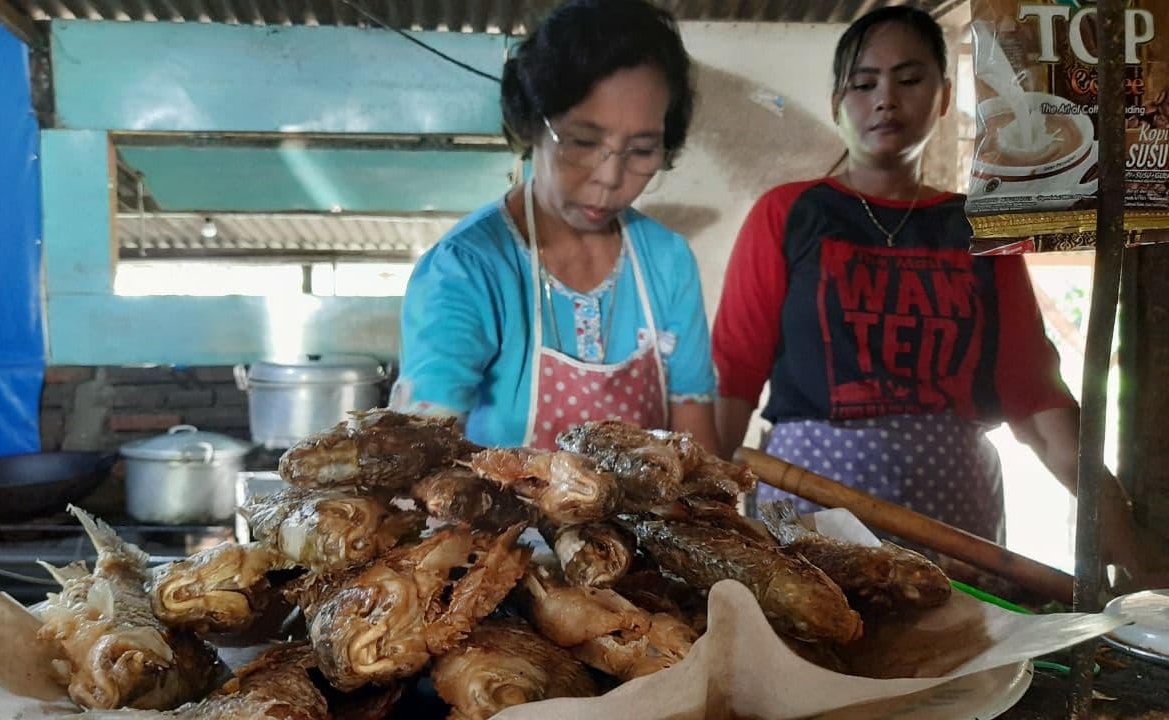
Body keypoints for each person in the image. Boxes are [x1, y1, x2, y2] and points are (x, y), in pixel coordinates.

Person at [712, 6, 1158, 584]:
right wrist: (709, 523)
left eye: (909, 78)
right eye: (863, 83)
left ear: (945, 96)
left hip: (957, 523)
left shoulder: (975, 228)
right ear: (835, 104)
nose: (886, 100)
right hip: (811, 514)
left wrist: (1133, 550)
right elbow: (731, 382)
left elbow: (1039, 405)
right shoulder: (790, 214)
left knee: (957, 665)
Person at [391, 0, 718, 453]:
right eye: (583, 142)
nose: (609, 177)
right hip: (501, 523)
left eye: (642, 151)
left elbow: (697, 446)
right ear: (532, 124)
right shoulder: (468, 268)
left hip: (642, 525)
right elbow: (421, 450)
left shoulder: (668, 261)